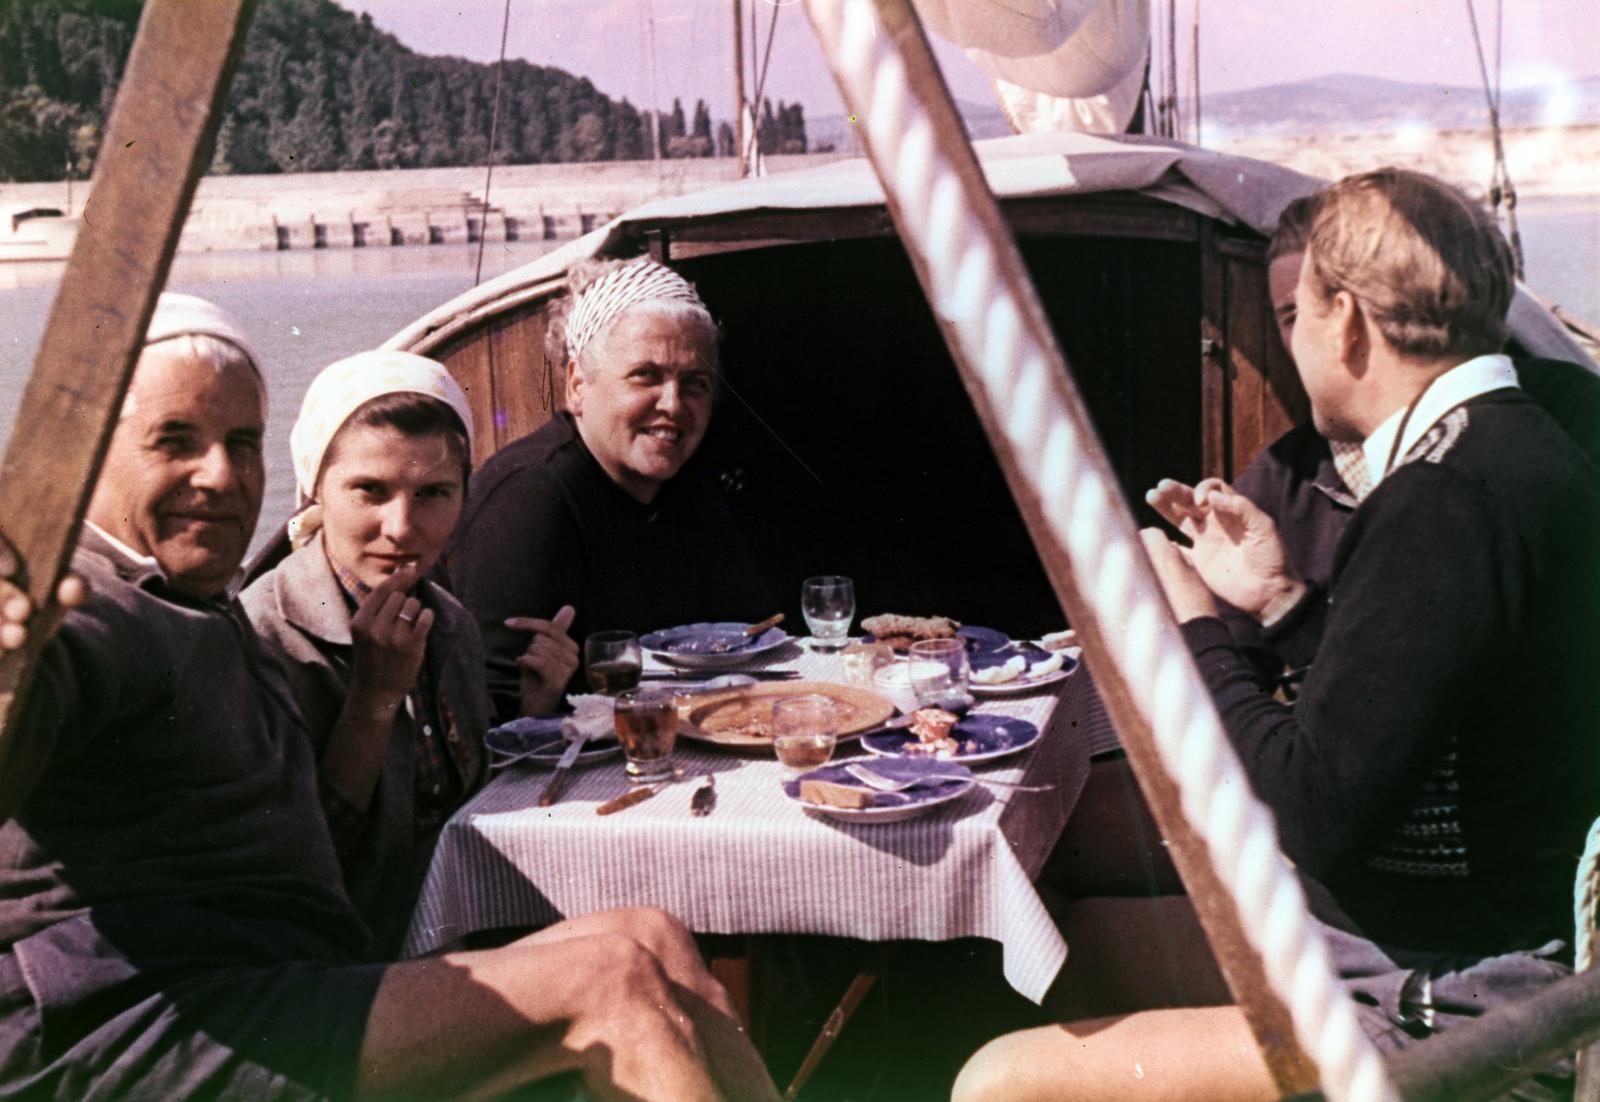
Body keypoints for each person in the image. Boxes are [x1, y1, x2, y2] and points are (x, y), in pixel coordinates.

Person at [0, 294, 779, 1102]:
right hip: (134, 1024)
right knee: (611, 981)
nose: (221, 476)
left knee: (649, 934)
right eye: (174, 441)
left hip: (285, 979)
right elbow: (30, 700)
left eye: (240, 444)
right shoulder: (74, 608)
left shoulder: (202, 602)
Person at [955, 169, 1600, 1102]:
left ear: (1344, 320)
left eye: (1299, 318)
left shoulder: (1439, 501)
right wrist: (1280, 605)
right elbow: (1420, 717)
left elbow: (1310, 815)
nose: (1291, 344)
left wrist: (1191, 625)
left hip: (1449, 1005)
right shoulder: (1521, 455)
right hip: (1474, 945)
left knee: (1000, 1081)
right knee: (1079, 942)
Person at [241, 351, 577, 957]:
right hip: (340, 964)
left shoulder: (447, 620)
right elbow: (295, 870)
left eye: (433, 493)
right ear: (317, 488)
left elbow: (447, 806)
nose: (401, 526)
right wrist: (373, 699)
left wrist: (534, 712)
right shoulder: (260, 638)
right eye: (370, 490)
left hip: (451, 927)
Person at [443, 256, 772, 717]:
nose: (674, 405)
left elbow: (751, 629)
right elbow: (496, 712)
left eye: (695, 383)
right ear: (577, 384)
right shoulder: (531, 498)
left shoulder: (686, 489)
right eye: (647, 376)